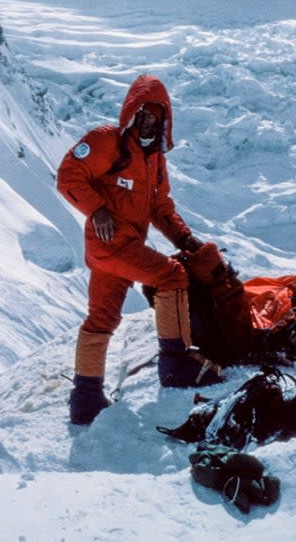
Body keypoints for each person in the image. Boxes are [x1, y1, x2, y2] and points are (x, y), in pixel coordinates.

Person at [57, 73, 223, 425]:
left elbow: (160, 207)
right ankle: (176, 362)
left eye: (155, 115)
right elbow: (68, 175)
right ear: (131, 113)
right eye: (142, 113)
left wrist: (184, 239)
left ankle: (85, 398)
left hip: (117, 250)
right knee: (172, 275)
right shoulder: (106, 142)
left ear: (164, 120)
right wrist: (97, 209)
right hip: (110, 246)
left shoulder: (155, 161)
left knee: (101, 319)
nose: (147, 121)